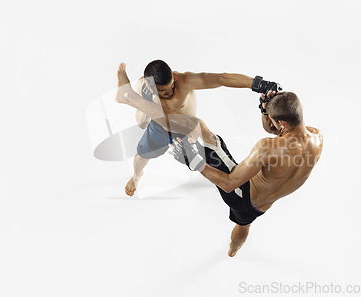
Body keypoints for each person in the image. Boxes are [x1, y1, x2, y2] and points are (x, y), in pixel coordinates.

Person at [115, 63, 323, 257]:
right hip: (261, 207)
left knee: (199, 127)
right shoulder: (317, 138)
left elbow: (228, 183)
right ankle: (233, 251)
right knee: (243, 225)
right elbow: (278, 130)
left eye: (271, 119)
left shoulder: (268, 148)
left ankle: (128, 97)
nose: (269, 123)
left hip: (240, 193)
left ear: (282, 124)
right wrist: (264, 108)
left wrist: (193, 161)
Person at [125, 59, 256, 196]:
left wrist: (256, 84)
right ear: (149, 85)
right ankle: (136, 176)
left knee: (212, 160)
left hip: (186, 131)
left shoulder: (185, 81)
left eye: (172, 86)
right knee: (140, 158)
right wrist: (147, 103)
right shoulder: (142, 86)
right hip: (158, 130)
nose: (170, 92)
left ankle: (235, 182)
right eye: (164, 91)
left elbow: (221, 78)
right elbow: (141, 124)